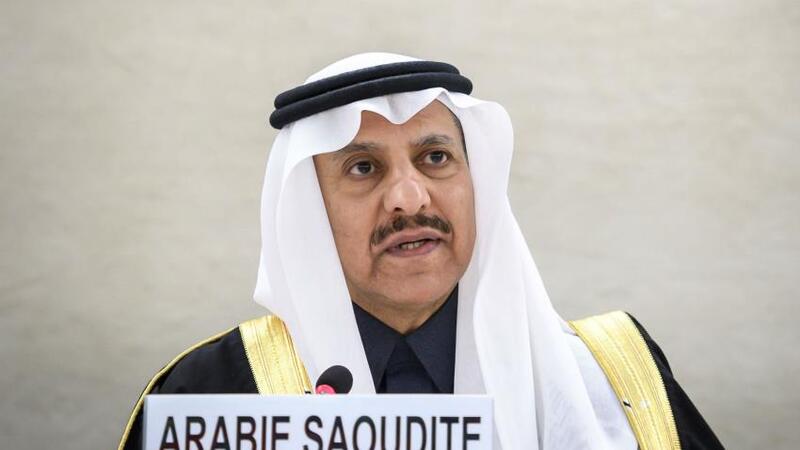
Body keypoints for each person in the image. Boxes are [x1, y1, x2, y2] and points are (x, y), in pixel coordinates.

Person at [118, 53, 723, 450]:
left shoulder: (613, 375)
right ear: (309, 212)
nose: (409, 199)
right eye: (363, 168)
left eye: (435, 158)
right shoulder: (214, 395)